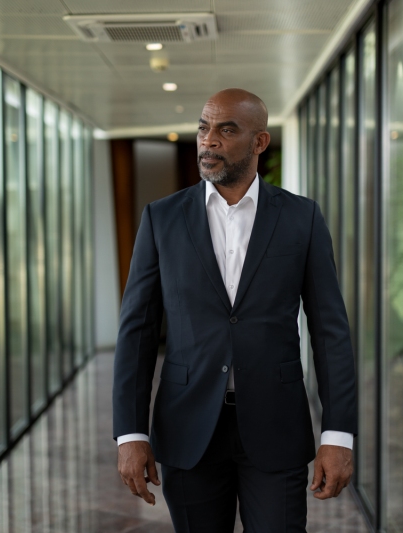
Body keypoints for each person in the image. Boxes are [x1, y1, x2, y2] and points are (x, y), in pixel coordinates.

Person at [113, 88, 357, 532]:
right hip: (188, 428)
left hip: (276, 425)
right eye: (204, 128)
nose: (209, 140)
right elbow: (137, 330)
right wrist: (131, 434)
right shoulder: (162, 218)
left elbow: (330, 331)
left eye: (227, 130)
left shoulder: (301, 219)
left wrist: (337, 435)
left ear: (259, 142)